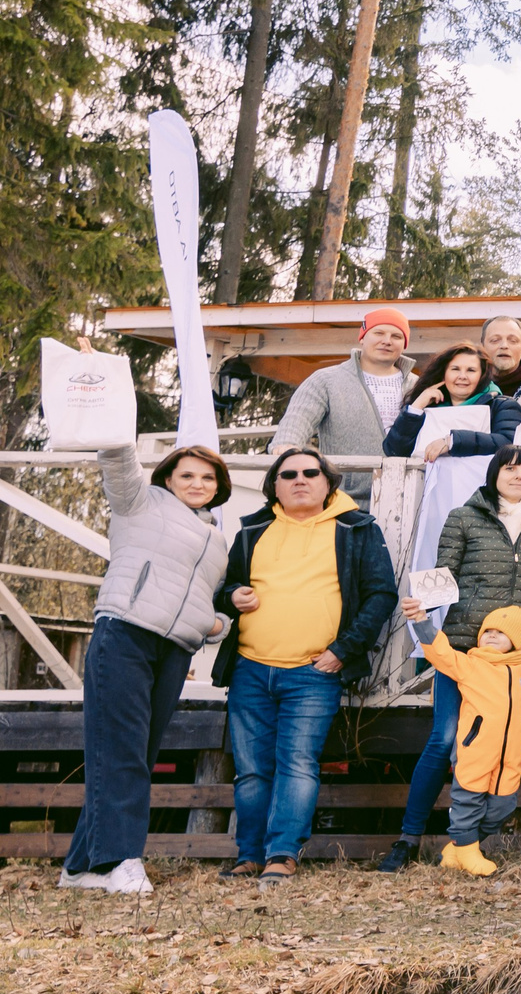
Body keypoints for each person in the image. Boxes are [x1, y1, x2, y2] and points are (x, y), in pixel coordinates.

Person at [378, 446, 521, 871]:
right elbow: (443, 573)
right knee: (445, 740)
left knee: (498, 747)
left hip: (514, 658)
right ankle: (408, 838)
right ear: (493, 474)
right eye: (510, 468)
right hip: (463, 646)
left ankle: (467, 843)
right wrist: (422, 612)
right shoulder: (464, 518)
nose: (518, 476)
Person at [57, 435, 232, 895]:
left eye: (207, 477)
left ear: (219, 486)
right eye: (187, 475)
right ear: (167, 479)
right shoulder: (140, 503)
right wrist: (112, 422)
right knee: (121, 752)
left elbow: (198, 599)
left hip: (174, 650)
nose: (197, 483)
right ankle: (121, 860)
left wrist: (216, 622)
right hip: (126, 635)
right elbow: (117, 462)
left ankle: (79, 868)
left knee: (137, 755)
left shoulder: (217, 540)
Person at [212, 450, 398, 879]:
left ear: (327, 482)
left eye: (310, 473)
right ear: (274, 485)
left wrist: (343, 650)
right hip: (249, 668)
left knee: (297, 763)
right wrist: (234, 594)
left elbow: (380, 595)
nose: (300, 480)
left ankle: (282, 855)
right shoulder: (253, 529)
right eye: (288, 474)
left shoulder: (356, 528)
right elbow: (226, 590)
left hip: (313, 672)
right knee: (252, 770)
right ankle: (249, 855)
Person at [405, 604, 521, 876]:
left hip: (510, 755)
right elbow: (441, 654)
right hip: (475, 749)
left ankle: (457, 848)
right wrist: (422, 621)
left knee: (503, 806)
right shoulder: (471, 665)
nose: (491, 635)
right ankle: (467, 848)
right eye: (487, 630)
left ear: (517, 641)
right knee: (468, 801)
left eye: (501, 632)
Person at [271, 307, 413, 499]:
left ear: (404, 344)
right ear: (362, 337)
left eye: (396, 336)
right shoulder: (326, 380)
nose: (387, 341)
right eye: (378, 333)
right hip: (344, 499)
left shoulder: (420, 386)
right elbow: (298, 418)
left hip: (407, 496)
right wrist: (286, 445)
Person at [383, 343, 521, 461]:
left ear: (482, 375)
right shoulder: (426, 406)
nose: (462, 376)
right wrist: (416, 408)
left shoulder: (502, 406)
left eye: (471, 370)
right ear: (443, 373)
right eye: (455, 369)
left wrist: (452, 441)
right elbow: (394, 451)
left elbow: (510, 443)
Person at [477, 316, 521, 398]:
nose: (504, 346)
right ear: (482, 347)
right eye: (495, 340)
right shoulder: (468, 384)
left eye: (513, 341)